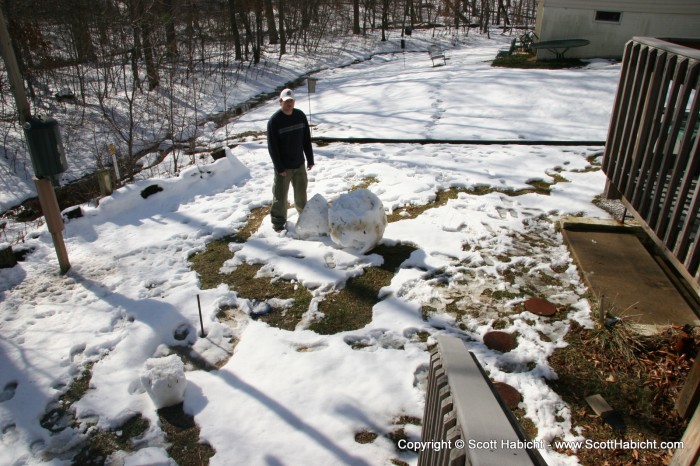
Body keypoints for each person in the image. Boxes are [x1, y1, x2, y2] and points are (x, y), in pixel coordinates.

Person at [267, 88, 315, 232]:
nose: (289, 104)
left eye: (291, 101)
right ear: (280, 102)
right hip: (284, 168)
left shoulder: (300, 116)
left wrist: (310, 159)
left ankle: (304, 218)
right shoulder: (274, 121)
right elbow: (272, 147)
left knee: (301, 194)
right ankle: (278, 223)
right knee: (280, 197)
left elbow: (306, 139)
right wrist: (279, 167)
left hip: (299, 164)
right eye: (286, 101)